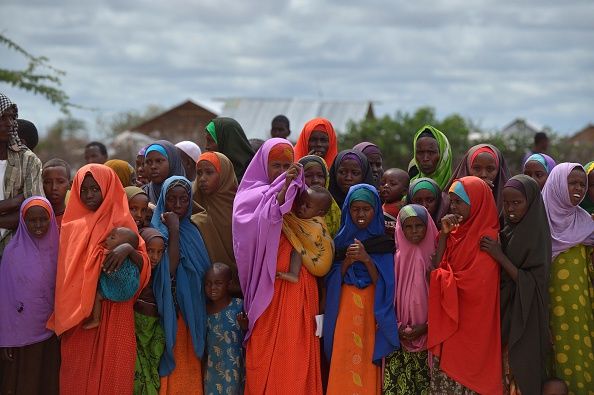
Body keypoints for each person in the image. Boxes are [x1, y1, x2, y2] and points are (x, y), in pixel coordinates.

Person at [232, 138, 325, 394]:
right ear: (263, 165)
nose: (283, 171)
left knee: (295, 351)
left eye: (288, 164)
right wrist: (282, 189)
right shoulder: (247, 198)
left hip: (298, 287)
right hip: (267, 287)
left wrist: (289, 187)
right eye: (276, 165)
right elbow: (269, 217)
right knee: (262, 354)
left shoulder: (301, 191)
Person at [48, 164, 150, 394]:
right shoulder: (71, 225)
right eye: (84, 190)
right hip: (80, 315)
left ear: (108, 188)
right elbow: (67, 272)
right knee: (77, 375)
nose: (89, 195)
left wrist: (127, 250)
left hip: (116, 312)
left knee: (114, 375)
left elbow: (144, 268)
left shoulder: (123, 221)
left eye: (95, 188)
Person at [428, 176, 502, 394]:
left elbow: (476, 285)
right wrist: (443, 235)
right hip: (453, 321)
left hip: (473, 325)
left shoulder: (488, 237)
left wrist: (442, 277)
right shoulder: (454, 232)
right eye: (451, 201)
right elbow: (436, 266)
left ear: (477, 201)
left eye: (459, 201)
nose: (454, 207)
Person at [324, 184, 399, 394]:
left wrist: (366, 260)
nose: (360, 214)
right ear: (348, 209)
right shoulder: (339, 242)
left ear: (375, 210)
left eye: (366, 209)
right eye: (355, 209)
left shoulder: (384, 243)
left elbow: (384, 283)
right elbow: (332, 280)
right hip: (345, 307)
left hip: (371, 309)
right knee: (343, 352)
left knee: (366, 353)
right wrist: (347, 261)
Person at [480, 175, 551, 394]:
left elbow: (532, 282)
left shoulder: (536, 233)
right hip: (501, 312)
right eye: (506, 202)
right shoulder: (502, 229)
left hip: (527, 314)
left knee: (520, 372)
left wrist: (499, 256)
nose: (510, 209)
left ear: (530, 203)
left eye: (517, 203)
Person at [151, 176, 211, 394]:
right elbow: (168, 269)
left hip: (192, 312)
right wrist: (173, 230)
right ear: (162, 201)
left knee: (190, 365)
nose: (177, 205)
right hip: (169, 311)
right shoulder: (157, 229)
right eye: (171, 200)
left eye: (183, 200)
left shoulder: (194, 230)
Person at [542, 163, 594, 393]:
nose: (578, 188)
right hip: (547, 310)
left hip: (580, 312)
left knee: (579, 356)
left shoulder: (586, 223)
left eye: (582, 184)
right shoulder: (538, 223)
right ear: (557, 184)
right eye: (572, 182)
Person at [0, 197, 59, 395]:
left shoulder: (60, 250)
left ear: (50, 219)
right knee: (24, 382)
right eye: (32, 220)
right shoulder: (11, 253)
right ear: (23, 222)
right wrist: (6, 339)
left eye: (43, 219)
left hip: (53, 332)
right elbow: (6, 301)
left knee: (48, 381)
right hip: (21, 336)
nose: (38, 225)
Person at [384, 204, 437, 395]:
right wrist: (396, 326)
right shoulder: (396, 258)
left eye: (419, 226)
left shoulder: (436, 257)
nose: (414, 231)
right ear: (400, 228)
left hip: (430, 336)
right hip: (399, 336)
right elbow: (387, 296)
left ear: (428, 226)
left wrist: (427, 326)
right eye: (408, 226)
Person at [0, 93, 44, 256]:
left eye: (11, 117)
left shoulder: (28, 160)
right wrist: (15, 202)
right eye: (2, 118)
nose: (9, 123)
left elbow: (34, 215)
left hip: (16, 251)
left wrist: (25, 204)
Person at [192, 152, 239, 293]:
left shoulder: (240, 206)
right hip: (205, 285)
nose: (202, 179)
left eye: (209, 172)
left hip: (238, 283)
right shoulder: (193, 205)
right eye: (199, 173)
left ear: (224, 174)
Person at [83, 227, 141, 330]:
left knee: (97, 296)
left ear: (122, 246)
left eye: (112, 238)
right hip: (131, 290)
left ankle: (96, 320)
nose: (107, 239)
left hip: (118, 289)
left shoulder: (111, 255)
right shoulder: (131, 257)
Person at [203, 262, 246, 395]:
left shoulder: (239, 306)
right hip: (212, 371)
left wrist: (245, 327)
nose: (212, 288)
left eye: (218, 283)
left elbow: (252, 336)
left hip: (236, 369)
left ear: (229, 284)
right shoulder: (204, 311)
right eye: (208, 283)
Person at [276, 186, 333, 283]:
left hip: (320, 264)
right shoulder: (305, 219)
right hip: (318, 263)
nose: (301, 207)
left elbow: (292, 225)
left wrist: (281, 216)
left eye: (307, 206)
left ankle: (294, 274)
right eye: (301, 202)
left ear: (320, 213)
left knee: (297, 249)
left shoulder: (316, 226)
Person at [134, 227, 166, 395]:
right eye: (150, 251)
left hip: (153, 335)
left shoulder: (162, 279)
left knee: (151, 375)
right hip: (135, 337)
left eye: (160, 252)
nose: (155, 257)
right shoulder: (136, 274)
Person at [445, 143, 510, 212]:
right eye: (477, 168)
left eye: (490, 169)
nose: (483, 175)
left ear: (498, 170)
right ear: (467, 167)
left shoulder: (511, 200)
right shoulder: (448, 202)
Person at [298, 154, 342, 237]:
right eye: (308, 176)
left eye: (320, 176)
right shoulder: (292, 208)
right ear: (299, 178)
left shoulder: (334, 211)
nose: (315, 180)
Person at [203, 117, 255, 182]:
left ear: (226, 141)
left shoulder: (254, 175)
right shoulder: (212, 173)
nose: (206, 146)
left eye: (210, 140)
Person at [411, 125, 452, 190]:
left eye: (431, 152)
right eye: (420, 152)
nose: (425, 158)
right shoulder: (407, 189)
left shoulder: (457, 192)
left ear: (443, 155)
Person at [42, 158, 71, 228]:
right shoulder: (37, 220)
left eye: (60, 182)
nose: (54, 187)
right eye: (48, 182)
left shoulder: (75, 218)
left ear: (70, 185)